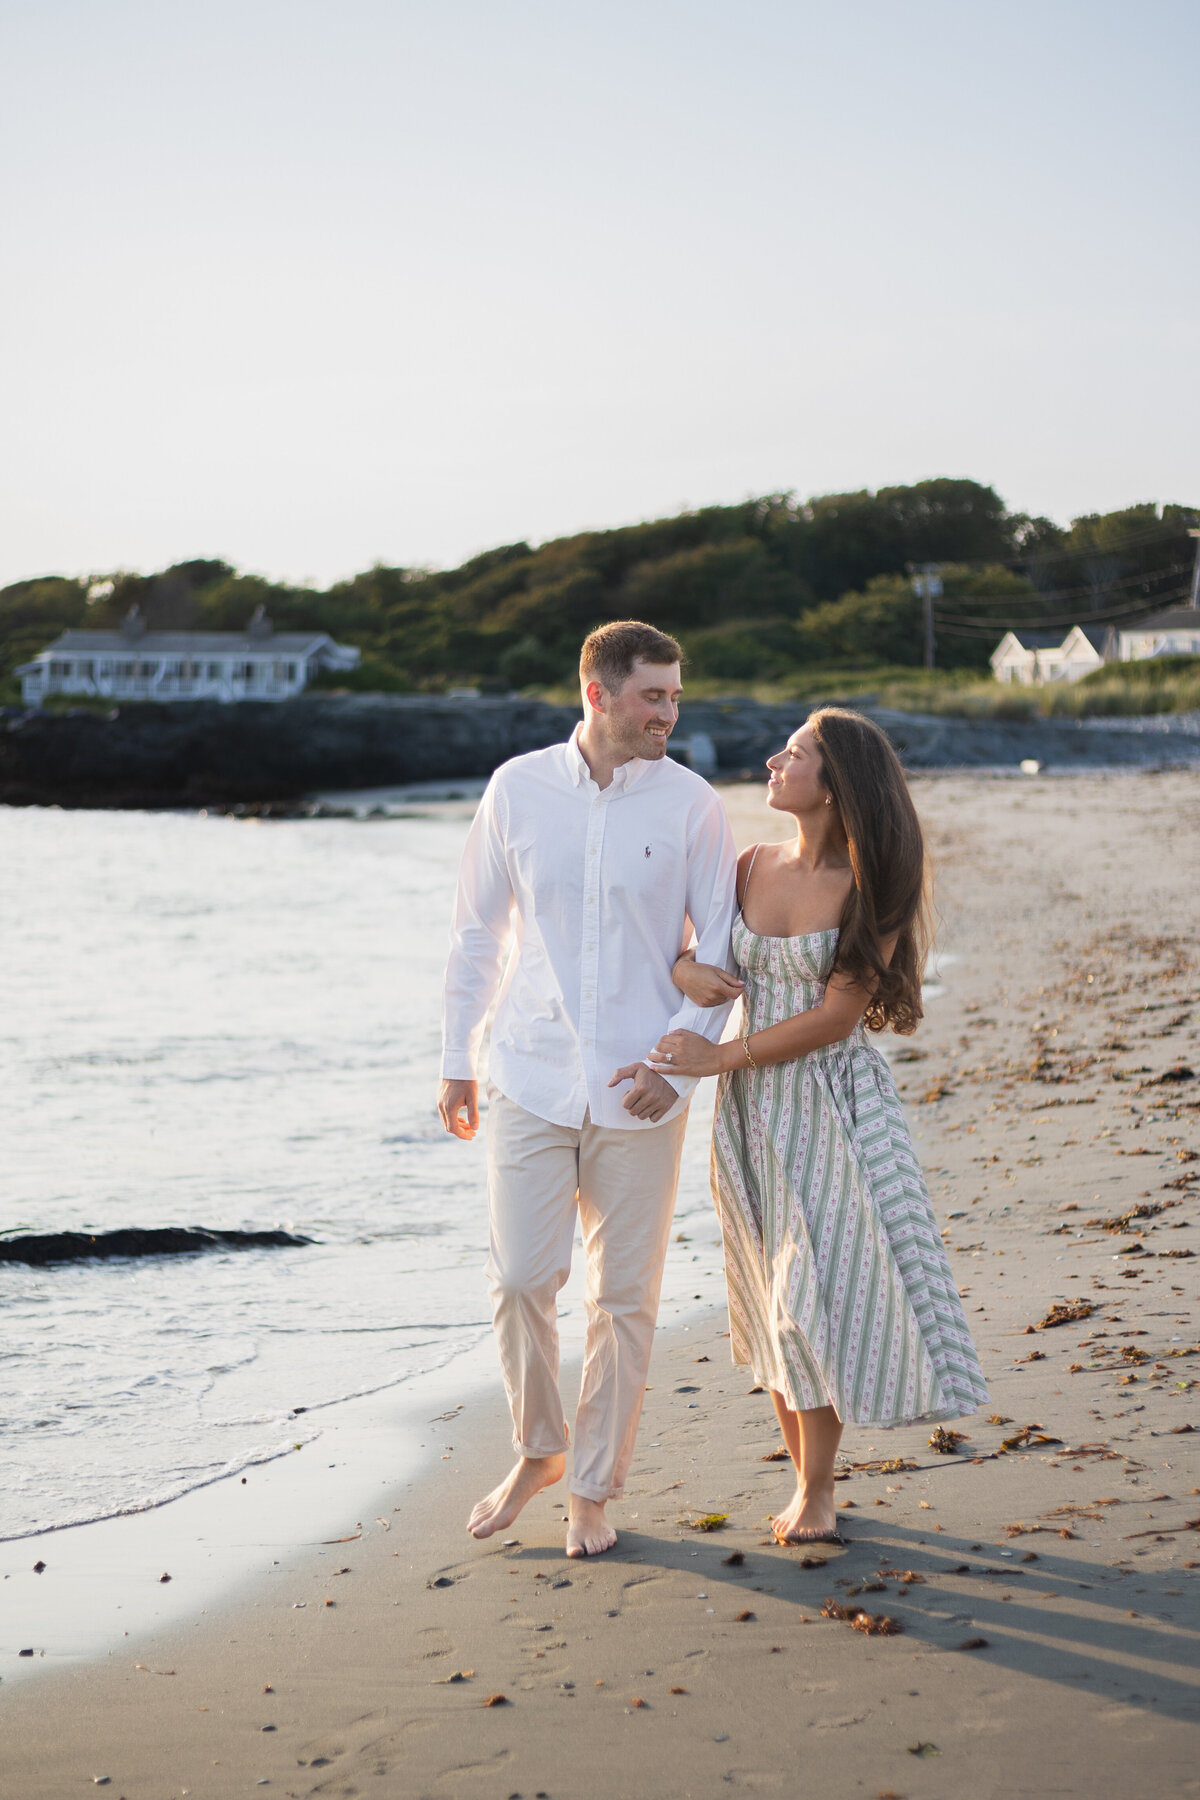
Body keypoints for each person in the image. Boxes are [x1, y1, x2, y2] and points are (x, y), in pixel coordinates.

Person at [648, 708, 988, 1545]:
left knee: (809, 1294)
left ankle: (819, 1488)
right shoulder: (746, 866)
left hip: (836, 1106)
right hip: (751, 1114)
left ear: (834, 786)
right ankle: (806, 1478)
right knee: (768, 1292)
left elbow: (838, 1018)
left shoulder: (872, 888)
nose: (773, 760)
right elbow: (686, 953)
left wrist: (716, 1057)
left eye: (794, 753)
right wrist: (690, 975)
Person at [438, 621, 738, 1558]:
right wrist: (456, 1056)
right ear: (599, 694)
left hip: (643, 1085)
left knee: (623, 1299)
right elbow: (478, 932)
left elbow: (721, 946)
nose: (669, 714)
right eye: (654, 696)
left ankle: (593, 1490)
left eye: (676, 696)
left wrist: (674, 1062)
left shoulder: (691, 804)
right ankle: (540, 1448)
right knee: (520, 1277)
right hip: (528, 1070)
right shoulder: (516, 788)